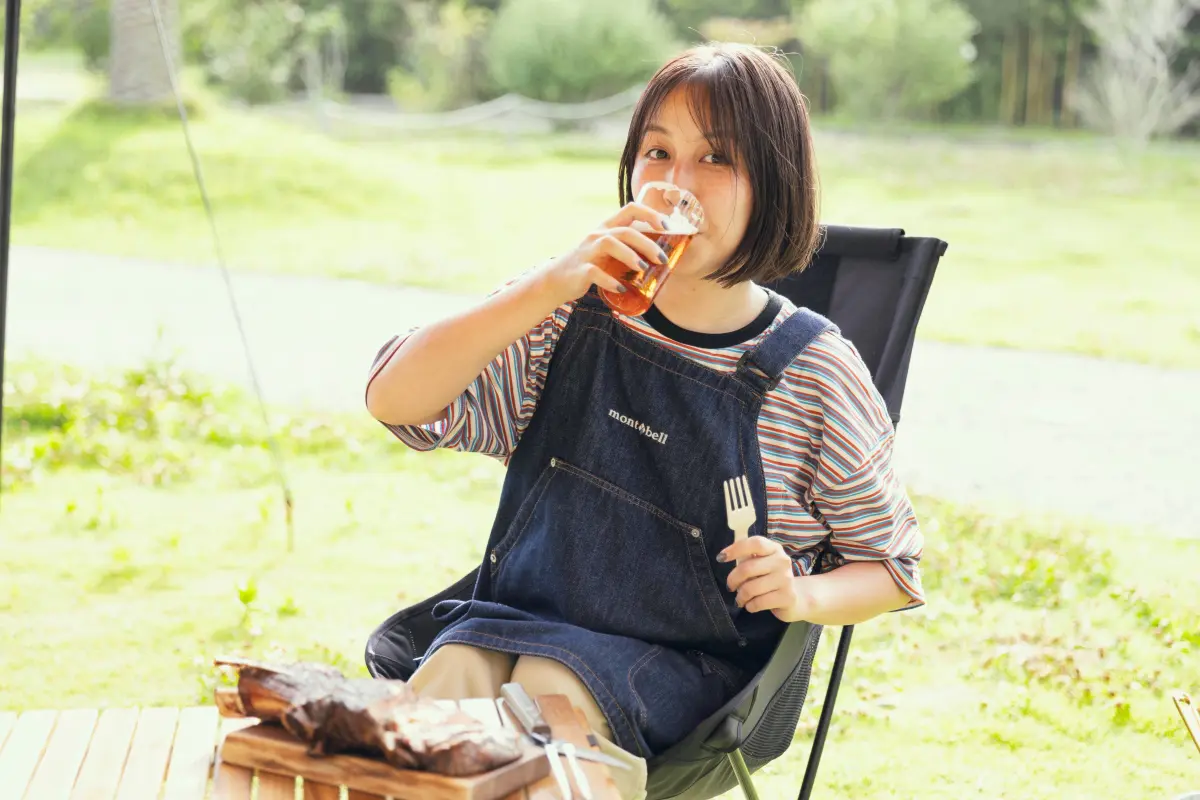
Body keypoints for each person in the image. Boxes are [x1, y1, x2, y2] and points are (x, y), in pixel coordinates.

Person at [364, 42, 924, 799]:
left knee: (549, 688)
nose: (673, 185)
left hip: (684, 671)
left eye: (715, 158)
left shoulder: (813, 373)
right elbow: (394, 401)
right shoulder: (563, 314)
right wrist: (549, 283)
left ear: (775, 185)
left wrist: (800, 593)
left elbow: (889, 568)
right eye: (656, 152)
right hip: (511, 620)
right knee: (453, 676)